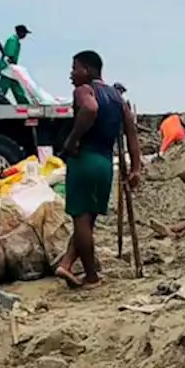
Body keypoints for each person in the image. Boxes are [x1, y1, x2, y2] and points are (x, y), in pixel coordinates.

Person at [54, 50, 143, 290]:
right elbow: (132, 134)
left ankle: (91, 275)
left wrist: (72, 140)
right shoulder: (117, 97)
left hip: (84, 159)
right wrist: (136, 168)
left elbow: (91, 109)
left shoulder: (84, 90)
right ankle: (67, 263)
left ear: (88, 70)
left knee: (80, 219)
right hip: (105, 163)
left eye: (75, 68)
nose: (71, 74)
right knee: (88, 219)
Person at [0, 24, 31, 105]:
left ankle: (24, 103)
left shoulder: (16, 41)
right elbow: (9, 55)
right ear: (20, 32)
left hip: (11, 69)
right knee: (2, 89)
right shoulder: (12, 40)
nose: (25, 35)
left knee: (16, 87)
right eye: (24, 33)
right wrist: (12, 67)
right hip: (7, 69)